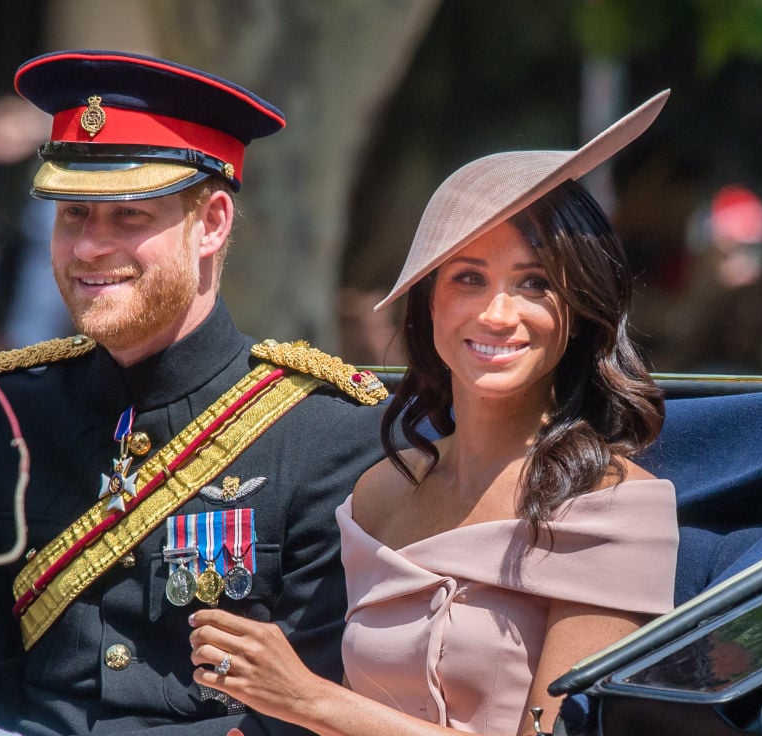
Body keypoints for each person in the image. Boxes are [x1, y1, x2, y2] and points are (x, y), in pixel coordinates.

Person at [0, 51, 391, 736]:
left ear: (215, 222)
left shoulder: (325, 431)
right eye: (73, 215)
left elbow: (305, 715)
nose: (88, 248)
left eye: (128, 218)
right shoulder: (6, 409)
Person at [188, 91, 680, 736]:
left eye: (535, 283)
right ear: (428, 305)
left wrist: (308, 700)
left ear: (581, 310)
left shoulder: (614, 507)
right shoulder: (380, 492)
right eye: (468, 278)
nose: (496, 314)